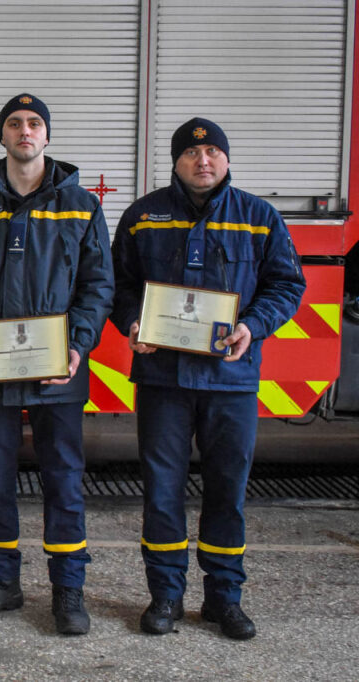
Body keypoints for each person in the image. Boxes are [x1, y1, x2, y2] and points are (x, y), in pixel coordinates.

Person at [110, 118, 305, 640]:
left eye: (213, 151)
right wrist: (133, 321)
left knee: (227, 490)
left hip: (231, 381)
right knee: (162, 491)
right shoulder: (142, 216)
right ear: (176, 160)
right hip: (163, 382)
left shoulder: (259, 218)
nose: (204, 161)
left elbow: (287, 285)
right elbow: (119, 285)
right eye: (193, 153)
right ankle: (166, 597)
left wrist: (252, 326)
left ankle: (224, 598)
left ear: (225, 158)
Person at [0, 94, 114, 635]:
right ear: (3, 136)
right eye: (14, 123)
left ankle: (68, 590)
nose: (25, 131)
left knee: (63, 480)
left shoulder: (82, 206)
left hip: (59, 372)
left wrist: (78, 344)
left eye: (35, 123)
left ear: (47, 136)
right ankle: (2, 583)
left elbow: (97, 286)